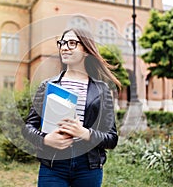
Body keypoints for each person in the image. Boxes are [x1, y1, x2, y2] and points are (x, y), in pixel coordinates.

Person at [23, 28, 120, 187]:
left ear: (86, 51)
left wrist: (84, 133)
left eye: (72, 43)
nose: (64, 47)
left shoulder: (101, 90)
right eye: (62, 43)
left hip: (88, 167)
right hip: (53, 165)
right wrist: (45, 139)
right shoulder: (47, 86)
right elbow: (28, 127)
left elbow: (112, 138)